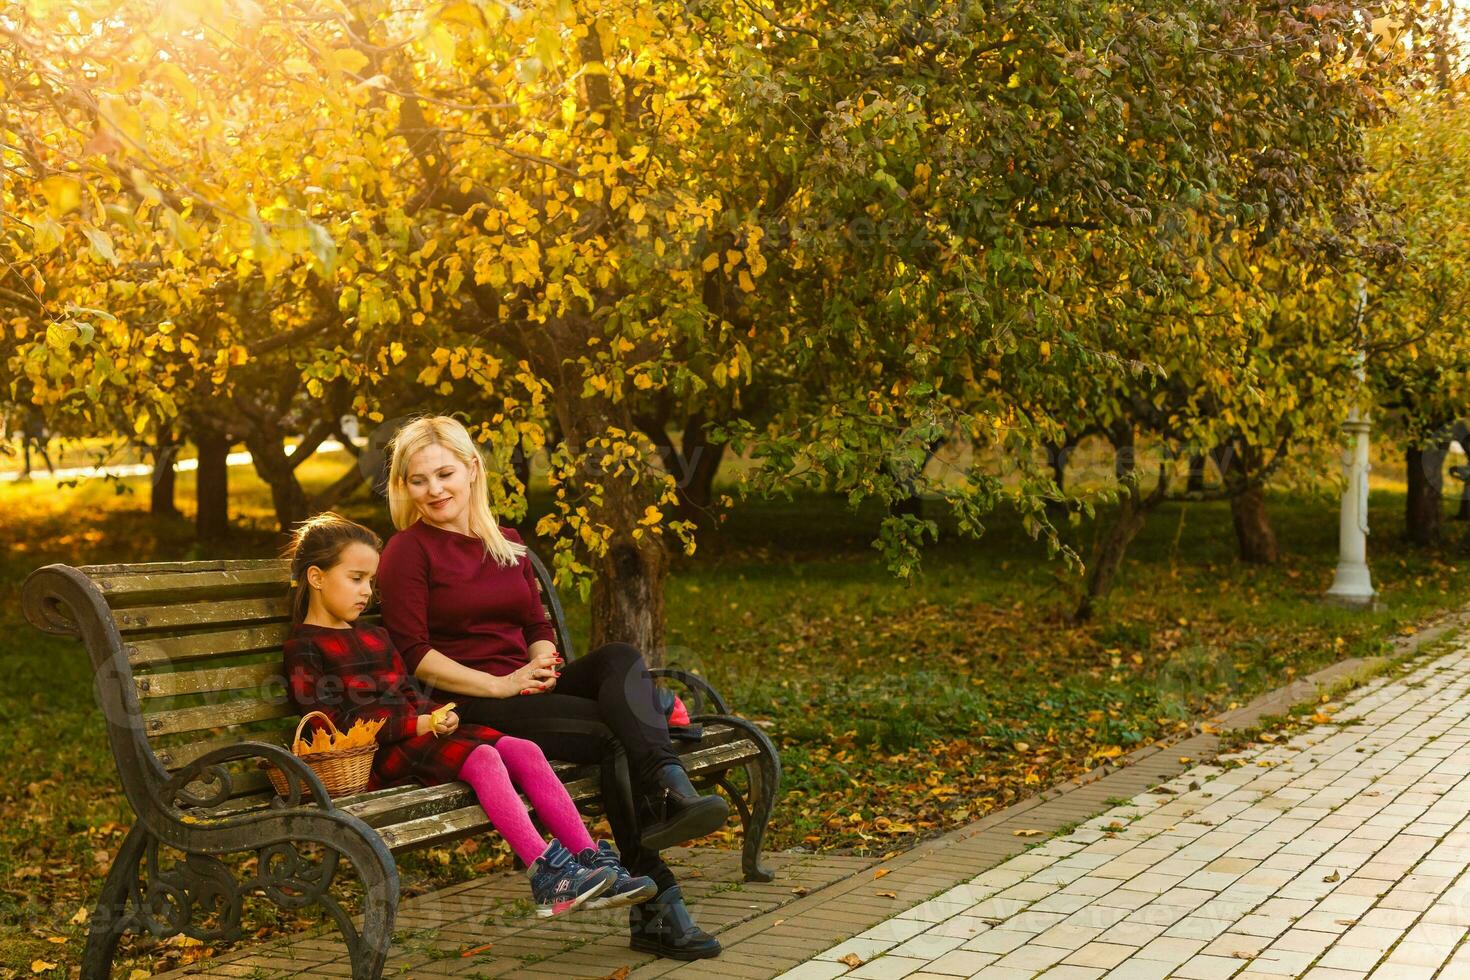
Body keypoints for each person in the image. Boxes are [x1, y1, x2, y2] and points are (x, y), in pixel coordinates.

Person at [375, 415, 727, 960]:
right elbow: (415, 655)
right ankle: (659, 905)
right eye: (418, 481)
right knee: (613, 736)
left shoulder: (507, 543)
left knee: (618, 658)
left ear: (472, 469)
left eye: (444, 474)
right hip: (471, 701)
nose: (434, 490)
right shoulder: (408, 550)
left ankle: (671, 789)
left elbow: (537, 627)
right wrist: (503, 683)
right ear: (404, 486)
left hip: (527, 687)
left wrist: (540, 660)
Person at [281, 512, 655, 918]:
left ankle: (591, 863)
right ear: (317, 578)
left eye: (370, 581)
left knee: (523, 749)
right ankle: (545, 874)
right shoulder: (305, 647)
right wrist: (419, 724)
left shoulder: (376, 635)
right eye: (356, 579)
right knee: (484, 756)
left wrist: (437, 712)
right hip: (376, 755)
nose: (367, 592)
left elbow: (408, 691)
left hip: (417, 736)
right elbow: (334, 723)